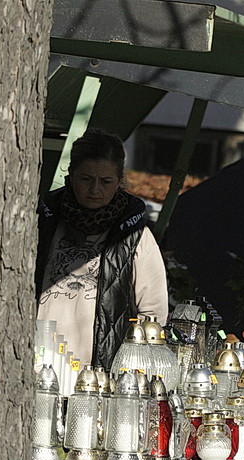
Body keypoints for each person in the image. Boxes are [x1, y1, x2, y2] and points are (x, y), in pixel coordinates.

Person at [36, 128, 169, 372]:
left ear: (119, 182)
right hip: (36, 361)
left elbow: (153, 314)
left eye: (106, 181)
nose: (95, 189)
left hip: (99, 375)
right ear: (71, 175)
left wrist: (126, 368)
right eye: (86, 179)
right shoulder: (44, 221)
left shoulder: (135, 235)